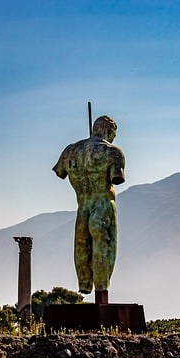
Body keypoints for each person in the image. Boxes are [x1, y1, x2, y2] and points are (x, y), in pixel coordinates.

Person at [53, 115, 125, 301]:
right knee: (105, 250)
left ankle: (84, 284)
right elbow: (116, 178)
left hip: (82, 209)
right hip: (103, 207)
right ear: (109, 131)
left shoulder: (70, 151)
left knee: (82, 249)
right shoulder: (113, 152)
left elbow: (60, 172)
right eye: (113, 135)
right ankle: (102, 290)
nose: (113, 139)